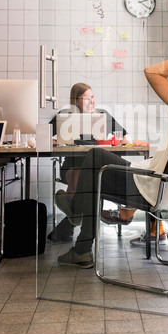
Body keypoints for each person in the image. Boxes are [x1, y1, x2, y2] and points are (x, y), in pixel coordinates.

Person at [56, 44, 168, 268]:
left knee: (95, 158)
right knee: (95, 167)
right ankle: (81, 245)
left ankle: (78, 220)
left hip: (156, 189)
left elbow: (152, 72)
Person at [48, 82, 128, 243]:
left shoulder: (102, 115)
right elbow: (44, 136)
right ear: (76, 101)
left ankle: (70, 223)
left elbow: (125, 136)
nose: (91, 102)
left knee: (85, 174)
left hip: (97, 167)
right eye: (86, 98)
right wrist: (53, 141)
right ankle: (72, 223)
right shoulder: (64, 116)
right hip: (71, 167)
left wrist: (116, 140)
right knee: (79, 174)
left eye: (92, 97)